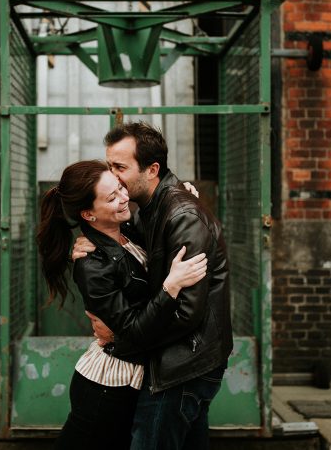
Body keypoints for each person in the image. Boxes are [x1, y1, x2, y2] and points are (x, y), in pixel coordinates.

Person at [76, 122, 233, 450]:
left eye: (120, 167)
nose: (113, 177)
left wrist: (125, 338)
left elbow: (188, 312)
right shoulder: (149, 209)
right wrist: (86, 244)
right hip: (183, 360)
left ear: (152, 170)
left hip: (183, 365)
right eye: (109, 166)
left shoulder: (181, 217)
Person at [36, 159, 209, 450]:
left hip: (134, 376)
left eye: (120, 188)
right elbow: (133, 330)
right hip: (107, 386)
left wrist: (182, 196)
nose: (123, 198)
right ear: (89, 214)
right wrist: (172, 285)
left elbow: (157, 220)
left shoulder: (128, 229)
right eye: (111, 197)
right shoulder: (91, 266)